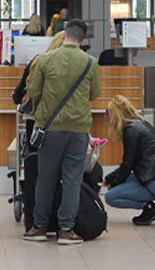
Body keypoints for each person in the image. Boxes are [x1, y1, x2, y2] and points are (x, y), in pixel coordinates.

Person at [23, 19, 101, 245]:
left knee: (45, 178)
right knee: (72, 180)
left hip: (50, 128)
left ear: (64, 35)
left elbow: (33, 92)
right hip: (77, 130)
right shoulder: (90, 62)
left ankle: (39, 227)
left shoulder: (45, 60)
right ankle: (66, 230)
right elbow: (94, 94)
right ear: (83, 40)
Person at [101, 96, 155, 226]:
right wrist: (110, 178)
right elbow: (130, 164)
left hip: (153, 182)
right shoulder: (141, 124)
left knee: (110, 197)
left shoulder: (131, 131)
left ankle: (149, 208)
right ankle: (149, 206)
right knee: (118, 185)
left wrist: (114, 182)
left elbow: (127, 165)